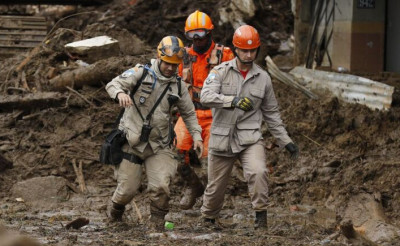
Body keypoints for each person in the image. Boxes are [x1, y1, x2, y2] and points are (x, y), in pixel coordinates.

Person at [199, 25, 299, 229]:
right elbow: (205, 97)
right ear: (235, 49)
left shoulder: (263, 78)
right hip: (222, 136)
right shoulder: (220, 72)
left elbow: (272, 113)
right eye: (244, 50)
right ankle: (208, 219)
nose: (248, 54)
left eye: (252, 50)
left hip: (250, 138)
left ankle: (261, 218)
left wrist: (285, 141)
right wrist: (231, 101)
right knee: (216, 184)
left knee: (259, 172)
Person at [105, 36, 203, 229]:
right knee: (127, 190)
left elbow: (189, 114)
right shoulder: (141, 73)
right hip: (131, 142)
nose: (170, 68)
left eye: (175, 65)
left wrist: (197, 137)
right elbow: (113, 84)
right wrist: (120, 94)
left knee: (161, 187)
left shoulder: (179, 86)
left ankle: (157, 224)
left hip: (159, 144)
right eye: (167, 63)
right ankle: (114, 215)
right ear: (159, 57)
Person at [174, 10, 235, 210]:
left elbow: (235, 84)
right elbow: (173, 85)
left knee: (213, 160)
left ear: (209, 33)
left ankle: (213, 201)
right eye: (192, 35)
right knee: (175, 152)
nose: (197, 39)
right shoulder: (183, 57)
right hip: (189, 113)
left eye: (200, 34)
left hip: (215, 114)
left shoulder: (224, 55)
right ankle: (193, 187)